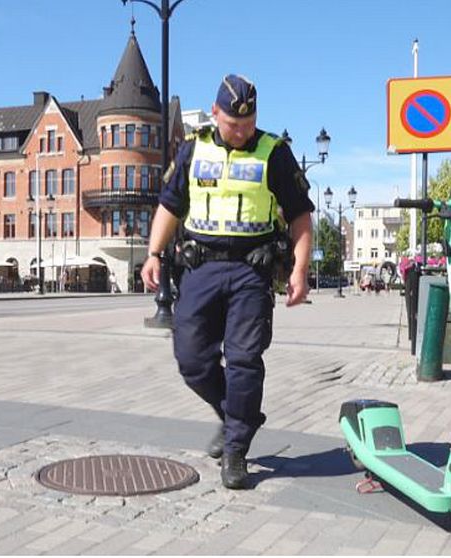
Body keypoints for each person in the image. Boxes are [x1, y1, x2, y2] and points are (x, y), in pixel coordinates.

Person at [141, 74, 314, 489]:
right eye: (234, 124)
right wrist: (153, 253)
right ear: (215, 112)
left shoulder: (275, 153)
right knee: (192, 359)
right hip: (200, 268)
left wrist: (299, 270)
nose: (242, 131)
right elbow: (170, 205)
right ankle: (239, 415)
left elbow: (301, 216)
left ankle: (236, 449)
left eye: (249, 123)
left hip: (250, 272)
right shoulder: (192, 148)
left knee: (244, 361)